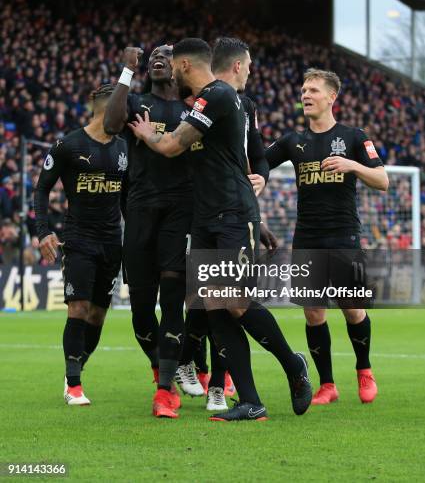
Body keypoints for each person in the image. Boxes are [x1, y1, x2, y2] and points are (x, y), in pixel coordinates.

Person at [129, 38, 311, 421]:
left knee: (236, 303)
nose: (169, 71)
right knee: (215, 307)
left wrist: (147, 136)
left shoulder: (219, 96)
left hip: (232, 212)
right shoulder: (201, 102)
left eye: (173, 65)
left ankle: (293, 364)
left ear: (183, 66)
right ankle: (250, 401)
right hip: (205, 217)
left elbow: (173, 146)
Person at [266, 68, 389, 405]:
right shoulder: (293, 141)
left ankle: (364, 370)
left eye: (313, 90)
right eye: (304, 90)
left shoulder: (353, 136)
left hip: (344, 235)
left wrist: (352, 167)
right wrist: (257, 176)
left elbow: (382, 180)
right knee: (313, 312)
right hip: (306, 236)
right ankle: (327, 385)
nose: (306, 95)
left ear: (331, 97)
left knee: (352, 308)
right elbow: (259, 162)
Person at [176, 37, 275, 412]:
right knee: (203, 300)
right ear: (236, 65)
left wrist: (261, 182)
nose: (251, 71)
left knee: (228, 299)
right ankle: (192, 363)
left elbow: (257, 158)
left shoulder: (243, 105)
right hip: (197, 214)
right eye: (248, 64)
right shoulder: (183, 103)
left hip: (231, 212)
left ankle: (221, 385)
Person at [104, 45, 191, 419]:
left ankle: (164, 389)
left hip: (180, 212)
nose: (158, 57)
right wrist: (125, 71)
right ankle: (162, 368)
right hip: (139, 211)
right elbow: (109, 125)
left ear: (181, 67)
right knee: (141, 310)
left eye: (168, 55)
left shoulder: (194, 109)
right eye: (154, 54)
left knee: (172, 300)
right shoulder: (137, 102)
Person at [34, 85, 127, 406]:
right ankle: (74, 384)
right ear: (108, 110)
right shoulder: (67, 145)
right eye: (123, 108)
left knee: (98, 316)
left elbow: (128, 199)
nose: (126, 115)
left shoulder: (124, 148)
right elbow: (42, 189)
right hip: (79, 240)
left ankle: (75, 366)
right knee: (79, 308)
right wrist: (43, 230)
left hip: (112, 243)